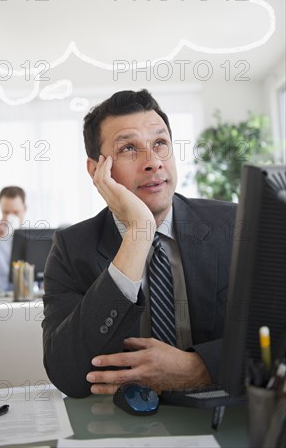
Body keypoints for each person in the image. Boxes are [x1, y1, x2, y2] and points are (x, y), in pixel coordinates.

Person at [42, 90, 236, 398]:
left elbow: (274, 339)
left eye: (160, 143)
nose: (153, 162)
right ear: (97, 171)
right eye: (130, 148)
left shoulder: (232, 226)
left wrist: (197, 368)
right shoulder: (71, 248)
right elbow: (68, 374)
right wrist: (139, 233)